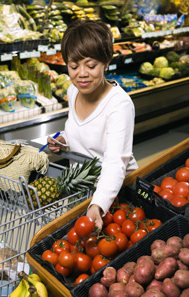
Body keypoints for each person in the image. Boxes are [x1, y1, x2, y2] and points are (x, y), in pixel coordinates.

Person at [47, 20, 138, 230]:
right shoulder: (73, 92)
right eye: (73, 66)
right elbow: (80, 131)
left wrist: (98, 204)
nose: (81, 74)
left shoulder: (119, 104)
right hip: (82, 189)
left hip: (114, 195)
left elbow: (116, 162)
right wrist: (63, 140)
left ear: (106, 61)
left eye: (90, 65)